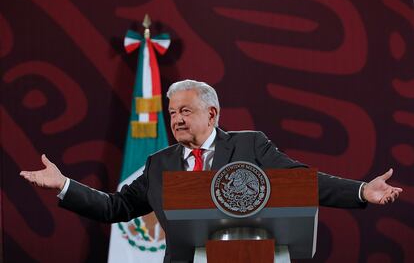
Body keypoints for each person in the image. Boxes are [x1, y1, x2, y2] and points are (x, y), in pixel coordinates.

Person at [20, 79, 403, 262]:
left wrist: (360, 191)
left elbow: (302, 183)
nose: (177, 120)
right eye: (172, 113)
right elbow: (114, 208)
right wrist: (65, 185)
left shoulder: (251, 146)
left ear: (212, 113)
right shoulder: (160, 164)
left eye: (185, 111)